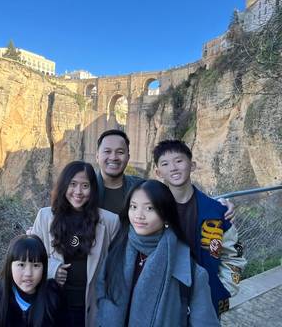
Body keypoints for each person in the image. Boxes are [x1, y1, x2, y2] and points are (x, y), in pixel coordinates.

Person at [97, 180, 220, 327]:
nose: (139, 215)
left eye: (149, 208)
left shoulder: (190, 272)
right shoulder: (117, 250)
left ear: (166, 215)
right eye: (133, 207)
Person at [153, 139, 246, 315]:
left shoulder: (217, 212)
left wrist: (222, 289)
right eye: (165, 164)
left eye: (179, 161)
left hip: (208, 298)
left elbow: (234, 254)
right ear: (158, 173)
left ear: (192, 165)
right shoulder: (154, 212)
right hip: (165, 301)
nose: (173, 168)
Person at [31, 161, 120, 327]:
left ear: (93, 189)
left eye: (85, 185)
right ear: (64, 185)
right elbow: (31, 256)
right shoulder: (44, 216)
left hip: (90, 306)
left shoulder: (109, 221)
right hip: (54, 304)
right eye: (73, 184)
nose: (78, 192)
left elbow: (114, 267)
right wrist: (52, 269)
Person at [95, 129, 236, 220]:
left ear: (128, 157)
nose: (113, 157)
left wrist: (219, 205)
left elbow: (175, 196)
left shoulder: (140, 187)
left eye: (120, 152)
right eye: (107, 151)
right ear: (97, 156)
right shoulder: (83, 190)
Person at [0, 234, 62, 327]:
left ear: (44, 268)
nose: (28, 273)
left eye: (36, 265)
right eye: (21, 265)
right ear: (10, 266)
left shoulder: (53, 296)